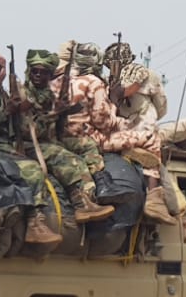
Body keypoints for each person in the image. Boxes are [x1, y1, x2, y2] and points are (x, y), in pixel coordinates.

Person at [52, 42, 176, 225]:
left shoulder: (58, 81)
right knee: (151, 138)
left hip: (60, 138)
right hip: (92, 138)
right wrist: (115, 104)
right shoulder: (93, 83)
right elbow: (104, 123)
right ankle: (154, 198)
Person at [0, 52, 67, 245]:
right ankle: (35, 221)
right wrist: (6, 112)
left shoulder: (2, 94)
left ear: (2, 72)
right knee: (31, 169)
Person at [9, 49, 115, 221]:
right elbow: (28, 131)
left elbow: (57, 127)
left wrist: (62, 112)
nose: (37, 75)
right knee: (69, 160)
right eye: (34, 71)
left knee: (86, 144)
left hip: (50, 139)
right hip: (28, 144)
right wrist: (55, 113)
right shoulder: (23, 94)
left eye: (43, 72)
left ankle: (98, 187)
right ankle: (81, 202)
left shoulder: (46, 93)